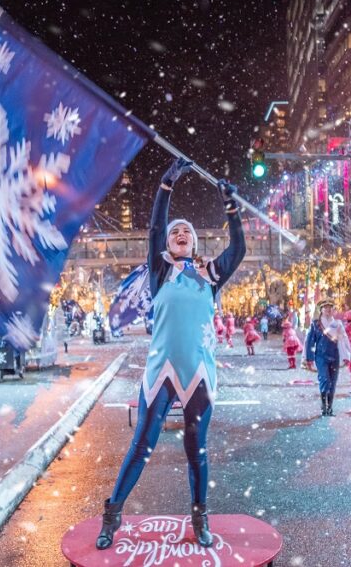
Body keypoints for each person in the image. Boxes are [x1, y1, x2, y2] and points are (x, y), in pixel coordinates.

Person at [96, 159, 245, 551]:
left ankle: (200, 517)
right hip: (160, 370)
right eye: (175, 231)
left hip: (199, 372)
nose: (180, 234)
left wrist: (231, 206)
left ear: (195, 244)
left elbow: (239, 248)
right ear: (168, 243)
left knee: (196, 449)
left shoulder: (210, 275)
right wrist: (166, 184)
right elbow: (154, 229)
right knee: (142, 445)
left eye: (187, 232)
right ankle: (112, 515)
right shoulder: (160, 271)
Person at [305, 302, 351, 416]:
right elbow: (310, 341)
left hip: (334, 356)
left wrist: (346, 355)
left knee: (333, 382)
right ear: (321, 310)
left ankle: (330, 407)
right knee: (324, 379)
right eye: (325, 307)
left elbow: (343, 339)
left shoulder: (338, 324)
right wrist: (309, 358)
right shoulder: (316, 324)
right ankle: (323, 405)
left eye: (330, 307)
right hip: (321, 356)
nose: (328, 309)